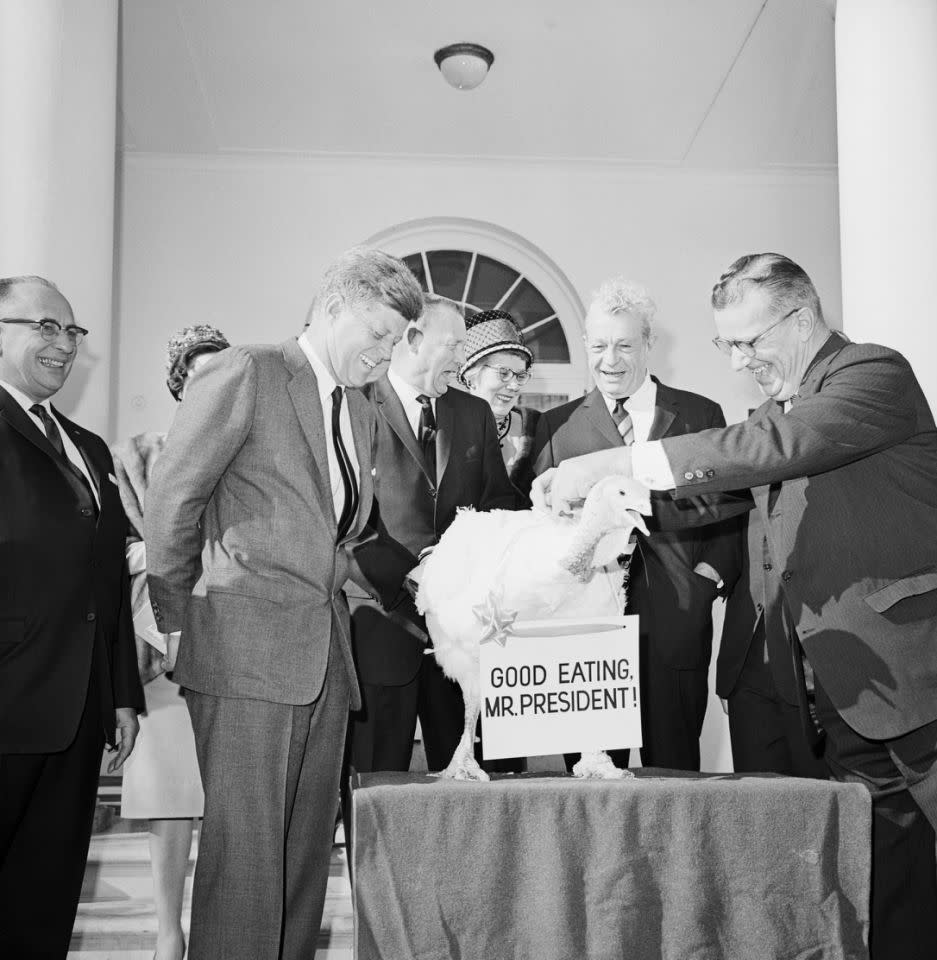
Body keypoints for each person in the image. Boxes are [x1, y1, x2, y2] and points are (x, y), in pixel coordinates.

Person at [533, 253, 937, 960]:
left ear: (802, 317)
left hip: (912, 675)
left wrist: (615, 462)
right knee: (889, 869)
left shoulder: (871, 374)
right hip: (839, 686)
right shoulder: (774, 411)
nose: (740, 360)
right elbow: (719, 492)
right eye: (728, 346)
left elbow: (771, 447)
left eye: (750, 342)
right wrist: (605, 503)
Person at [144, 248, 424, 960]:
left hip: (324, 656)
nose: (386, 352)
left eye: (396, 341)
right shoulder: (251, 370)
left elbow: (346, 536)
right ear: (332, 309)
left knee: (303, 858)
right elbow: (174, 499)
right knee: (247, 860)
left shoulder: (358, 411)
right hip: (243, 650)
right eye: (378, 333)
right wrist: (174, 621)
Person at [532, 278, 741, 772]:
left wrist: (709, 578)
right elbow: (544, 526)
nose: (612, 359)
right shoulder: (555, 426)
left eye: (625, 345)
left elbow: (730, 503)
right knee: (594, 781)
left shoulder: (699, 414)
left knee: (675, 776)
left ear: (648, 345)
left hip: (674, 620)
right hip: (588, 637)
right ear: (586, 346)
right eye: (600, 345)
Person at [0, 275, 143, 959]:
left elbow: (106, 578)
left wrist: (120, 695)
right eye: (43, 327)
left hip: (78, 708)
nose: (62, 344)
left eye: (71, 331)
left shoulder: (88, 446)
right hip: (7, 699)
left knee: (46, 889)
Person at [348, 294, 519, 777]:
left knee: (468, 781)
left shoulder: (473, 414)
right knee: (377, 782)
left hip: (462, 638)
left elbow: (498, 504)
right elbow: (346, 518)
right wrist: (415, 576)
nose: (464, 359)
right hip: (382, 624)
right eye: (455, 345)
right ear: (414, 339)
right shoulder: (357, 405)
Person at [112, 324, 230, 960]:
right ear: (179, 381)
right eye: (198, 370)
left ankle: (221, 921)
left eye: (221, 370)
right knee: (169, 791)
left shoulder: (245, 447)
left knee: (229, 794)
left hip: (232, 635)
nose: (208, 381)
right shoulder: (139, 454)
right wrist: (151, 555)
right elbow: (111, 546)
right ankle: (167, 928)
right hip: (158, 637)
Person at [717, 511, 827, 778]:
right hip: (745, 670)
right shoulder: (737, 491)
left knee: (816, 798)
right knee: (756, 801)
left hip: (810, 672)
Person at [458, 308, 540, 501]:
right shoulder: (444, 427)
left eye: (520, 376)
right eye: (503, 373)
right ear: (472, 376)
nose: (513, 385)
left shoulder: (539, 427)